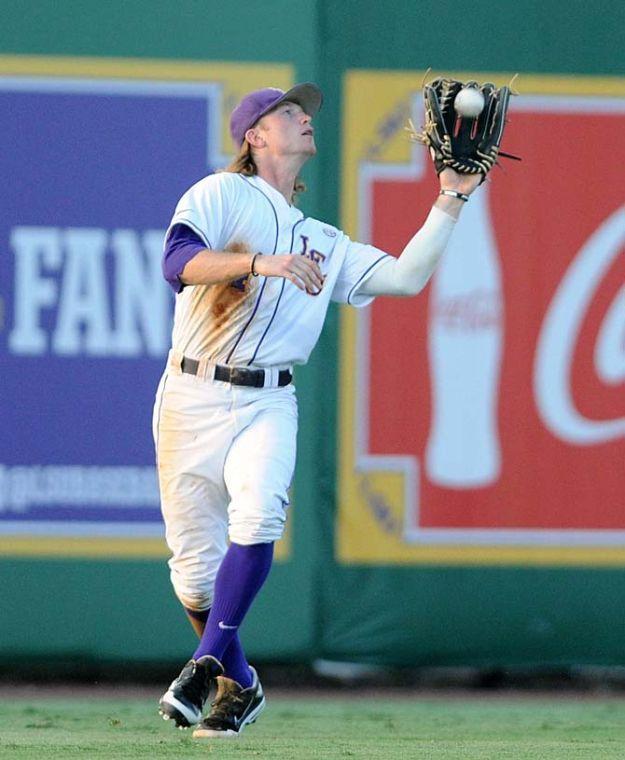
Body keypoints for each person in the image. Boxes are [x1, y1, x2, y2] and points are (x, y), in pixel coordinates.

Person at [154, 82, 482, 739]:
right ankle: (237, 683)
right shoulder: (219, 192)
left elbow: (404, 278)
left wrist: (450, 196)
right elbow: (177, 262)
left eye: (304, 111)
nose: (304, 118)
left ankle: (205, 661)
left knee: (260, 512)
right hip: (190, 395)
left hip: (268, 400)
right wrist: (258, 261)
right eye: (286, 113)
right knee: (193, 577)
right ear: (253, 137)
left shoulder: (323, 241)